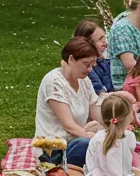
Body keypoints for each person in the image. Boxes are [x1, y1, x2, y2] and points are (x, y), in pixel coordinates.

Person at [34, 36, 103, 168]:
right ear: (71, 59)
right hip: (52, 149)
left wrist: (113, 127)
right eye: (86, 64)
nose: (90, 69)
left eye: (92, 65)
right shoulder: (54, 82)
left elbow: (97, 115)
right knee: (87, 145)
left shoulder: (84, 81)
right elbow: (69, 126)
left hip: (75, 141)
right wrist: (94, 138)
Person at [74, 19, 113, 95]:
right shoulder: (87, 67)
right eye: (100, 39)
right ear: (88, 44)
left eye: (104, 38)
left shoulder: (103, 60)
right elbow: (100, 93)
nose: (105, 44)